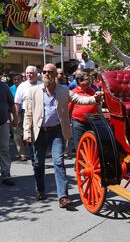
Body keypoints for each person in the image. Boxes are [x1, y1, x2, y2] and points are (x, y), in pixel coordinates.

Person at [23, 63, 102, 208]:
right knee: (38, 164)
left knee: (58, 162)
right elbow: (28, 114)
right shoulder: (33, 91)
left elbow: (79, 99)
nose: (47, 74)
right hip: (39, 132)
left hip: (57, 132)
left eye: (50, 72)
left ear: (55, 75)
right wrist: (27, 132)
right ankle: (40, 189)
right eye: (45, 72)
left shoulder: (64, 90)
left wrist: (94, 99)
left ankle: (63, 196)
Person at [69, 72, 101, 151]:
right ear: (80, 81)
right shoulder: (73, 92)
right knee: (80, 147)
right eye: (87, 79)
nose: (90, 81)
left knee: (92, 145)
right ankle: (80, 162)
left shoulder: (92, 91)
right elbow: (69, 109)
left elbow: (97, 106)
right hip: (78, 123)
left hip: (92, 122)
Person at [0, 80, 18, 186]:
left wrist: (15, 118)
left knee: (4, 149)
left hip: (2, 123)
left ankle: (6, 174)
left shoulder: (4, 86)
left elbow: (11, 103)